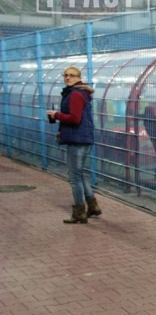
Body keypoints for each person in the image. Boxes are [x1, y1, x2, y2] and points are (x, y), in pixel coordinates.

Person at [46, 66, 102, 224]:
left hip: (78, 140)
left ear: (79, 77)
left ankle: (79, 212)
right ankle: (93, 207)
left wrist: (56, 115)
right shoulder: (80, 92)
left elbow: (75, 118)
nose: (68, 78)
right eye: (65, 75)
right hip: (82, 138)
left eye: (71, 75)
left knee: (74, 177)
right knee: (79, 174)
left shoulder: (75, 94)